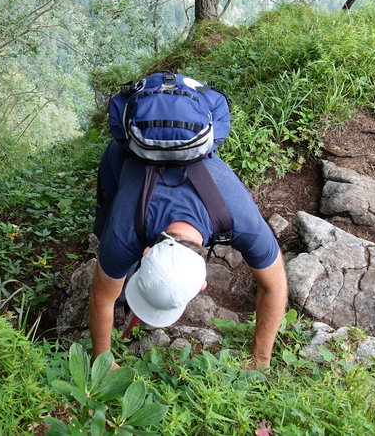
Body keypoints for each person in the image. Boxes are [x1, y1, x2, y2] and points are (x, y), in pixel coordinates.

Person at [89, 140, 288, 369]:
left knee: (116, 260)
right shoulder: (123, 232)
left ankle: (128, 291)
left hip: (158, 185)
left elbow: (275, 285)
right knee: (111, 242)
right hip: (121, 156)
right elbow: (101, 297)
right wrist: (103, 362)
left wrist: (260, 360)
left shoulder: (243, 220)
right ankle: (124, 295)